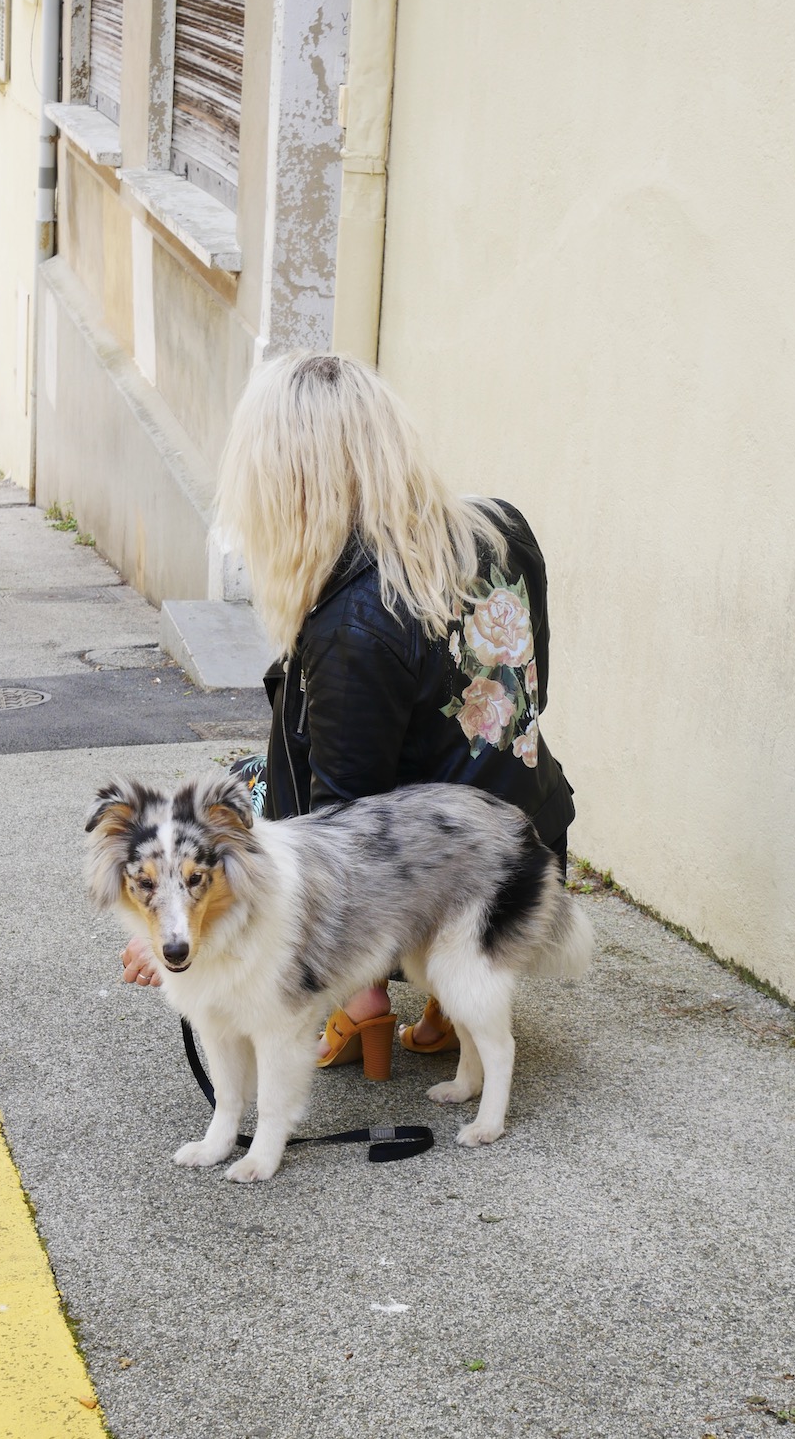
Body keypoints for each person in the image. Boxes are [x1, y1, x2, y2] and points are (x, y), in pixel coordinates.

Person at [122, 351, 575, 1073]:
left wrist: (184, 921)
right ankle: (446, 998)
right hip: (530, 837)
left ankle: (364, 999)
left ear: (287, 482)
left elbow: (346, 841)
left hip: (453, 883)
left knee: (246, 807)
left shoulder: (352, 623)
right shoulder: (500, 529)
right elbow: (530, 691)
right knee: (255, 777)